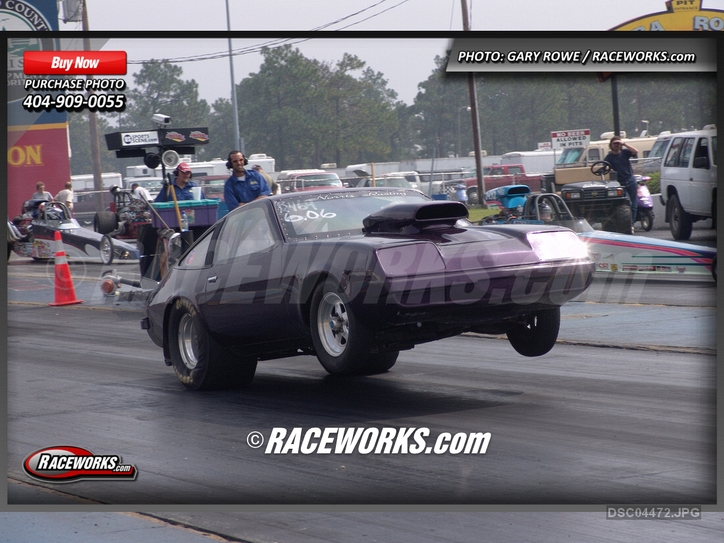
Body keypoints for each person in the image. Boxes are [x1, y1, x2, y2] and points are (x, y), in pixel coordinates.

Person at [604, 135, 639, 233]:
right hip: (620, 183)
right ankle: (627, 224)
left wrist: (624, 143)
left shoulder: (625, 153)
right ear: (611, 145)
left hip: (630, 180)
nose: (616, 145)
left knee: (634, 204)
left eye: (618, 143)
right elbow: (605, 168)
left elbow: (635, 151)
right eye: (614, 143)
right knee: (628, 203)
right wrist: (610, 170)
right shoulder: (609, 157)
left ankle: (631, 224)